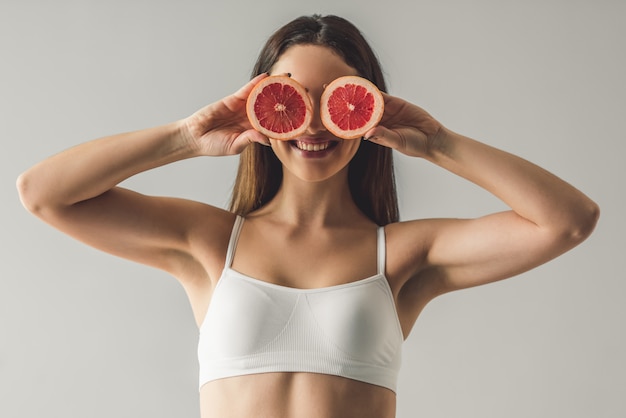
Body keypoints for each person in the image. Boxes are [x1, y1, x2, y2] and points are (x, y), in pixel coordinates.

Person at [17, 14, 599, 418]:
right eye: (291, 99)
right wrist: (185, 137)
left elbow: (568, 220)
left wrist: (438, 143)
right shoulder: (208, 242)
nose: (313, 124)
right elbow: (43, 193)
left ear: (364, 110)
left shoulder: (401, 256)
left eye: (336, 99)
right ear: (262, 108)